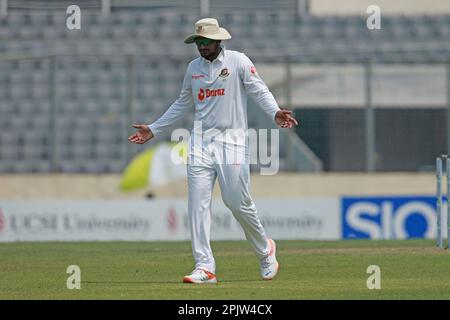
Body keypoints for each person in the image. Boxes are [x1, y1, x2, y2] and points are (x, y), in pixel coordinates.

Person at [128, 18, 298, 284]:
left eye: (206, 41)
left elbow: (259, 89)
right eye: (198, 41)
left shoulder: (238, 61)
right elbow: (182, 102)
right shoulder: (192, 69)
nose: (201, 46)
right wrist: (154, 128)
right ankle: (204, 267)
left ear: (219, 41)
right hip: (199, 143)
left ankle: (265, 251)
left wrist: (275, 112)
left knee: (236, 202)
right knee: (197, 204)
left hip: (232, 142)